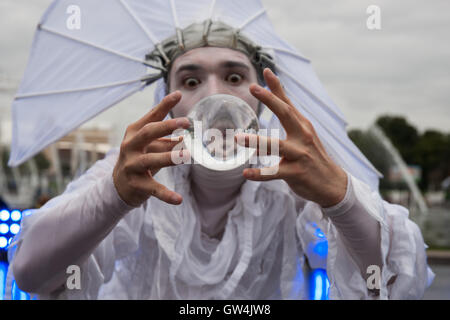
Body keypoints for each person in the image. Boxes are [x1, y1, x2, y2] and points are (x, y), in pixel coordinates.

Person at [6, 19, 432, 300]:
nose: (214, 96)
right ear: (169, 107)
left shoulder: (294, 178)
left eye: (234, 77)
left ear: (263, 100)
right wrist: (111, 197)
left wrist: (340, 198)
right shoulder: (137, 175)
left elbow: (395, 285)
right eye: (191, 80)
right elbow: (30, 275)